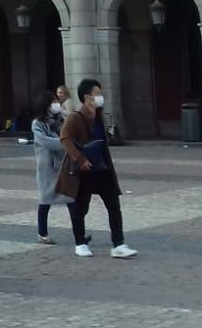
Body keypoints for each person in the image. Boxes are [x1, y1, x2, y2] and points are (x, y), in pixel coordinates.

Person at [58, 79, 137, 259]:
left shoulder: (99, 116)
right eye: (97, 94)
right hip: (84, 170)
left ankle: (118, 244)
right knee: (80, 208)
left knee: (113, 205)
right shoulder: (75, 117)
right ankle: (80, 243)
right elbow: (65, 138)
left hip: (102, 168)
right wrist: (80, 159)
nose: (100, 97)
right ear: (87, 97)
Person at [30, 90, 75, 245]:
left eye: (57, 101)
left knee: (71, 198)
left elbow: (70, 132)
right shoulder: (37, 123)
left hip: (62, 165)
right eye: (53, 102)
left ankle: (79, 233)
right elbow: (45, 141)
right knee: (45, 200)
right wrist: (66, 143)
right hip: (47, 168)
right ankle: (42, 233)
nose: (56, 105)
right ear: (46, 105)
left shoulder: (61, 119)